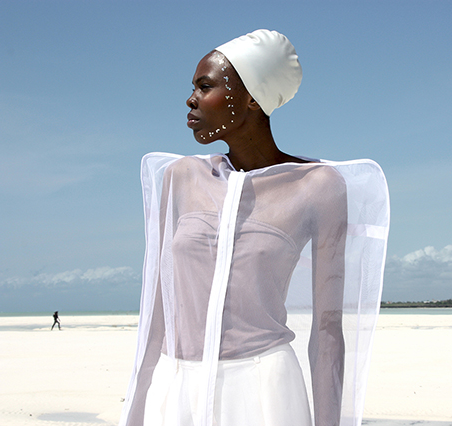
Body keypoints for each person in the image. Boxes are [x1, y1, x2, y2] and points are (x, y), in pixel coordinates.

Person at [119, 30, 389, 426]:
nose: (191, 99)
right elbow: (157, 316)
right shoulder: (182, 178)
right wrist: (137, 411)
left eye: (205, 86)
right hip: (177, 390)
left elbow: (328, 327)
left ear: (251, 97)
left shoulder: (317, 186)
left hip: (265, 392)